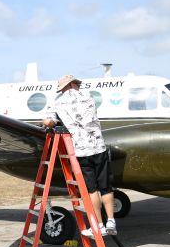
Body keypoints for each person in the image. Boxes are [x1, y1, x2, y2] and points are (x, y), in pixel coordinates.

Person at [43, 74, 117, 237]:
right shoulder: (88, 95)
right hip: (99, 147)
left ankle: (99, 225)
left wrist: (51, 122)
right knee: (105, 187)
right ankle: (111, 221)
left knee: (92, 190)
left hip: (82, 151)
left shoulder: (57, 101)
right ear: (74, 84)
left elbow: (48, 122)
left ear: (64, 88)